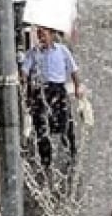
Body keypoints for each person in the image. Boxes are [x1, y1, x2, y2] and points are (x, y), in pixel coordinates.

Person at [20, 27, 83, 167]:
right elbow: (24, 72)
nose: (41, 37)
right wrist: (24, 83)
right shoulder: (33, 53)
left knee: (65, 122)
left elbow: (74, 70)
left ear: (52, 34)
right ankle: (45, 159)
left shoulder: (62, 51)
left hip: (58, 89)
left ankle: (71, 153)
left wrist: (78, 86)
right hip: (41, 90)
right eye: (39, 34)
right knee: (41, 124)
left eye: (43, 34)